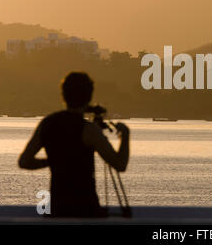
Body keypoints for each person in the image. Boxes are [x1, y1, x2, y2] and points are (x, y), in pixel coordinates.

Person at [18, 72, 129, 217]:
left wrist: (52, 161)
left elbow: (24, 162)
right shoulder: (89, 130)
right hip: (86, 210)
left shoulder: (48, 123)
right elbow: (119, 164)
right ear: (88, 97)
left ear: (63, 95)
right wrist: (125, 135)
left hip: (58, 210)